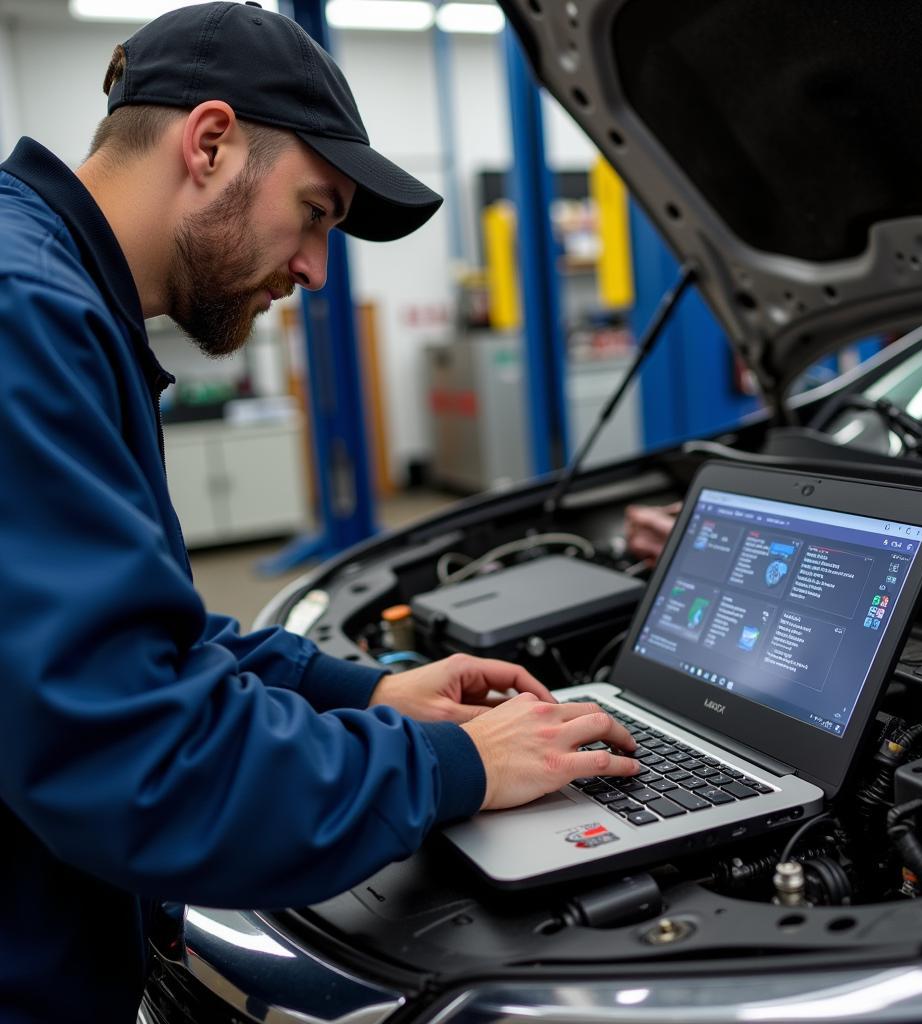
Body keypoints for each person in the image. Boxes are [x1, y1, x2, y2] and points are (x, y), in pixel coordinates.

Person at [0, 4, 640, 1021]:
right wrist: (454, 765)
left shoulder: (56, 297)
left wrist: (369, 694)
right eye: (316, 212)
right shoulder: (25, 317)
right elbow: (135, 759)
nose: (313, 268)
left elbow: (146, 647)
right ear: (208, 144)